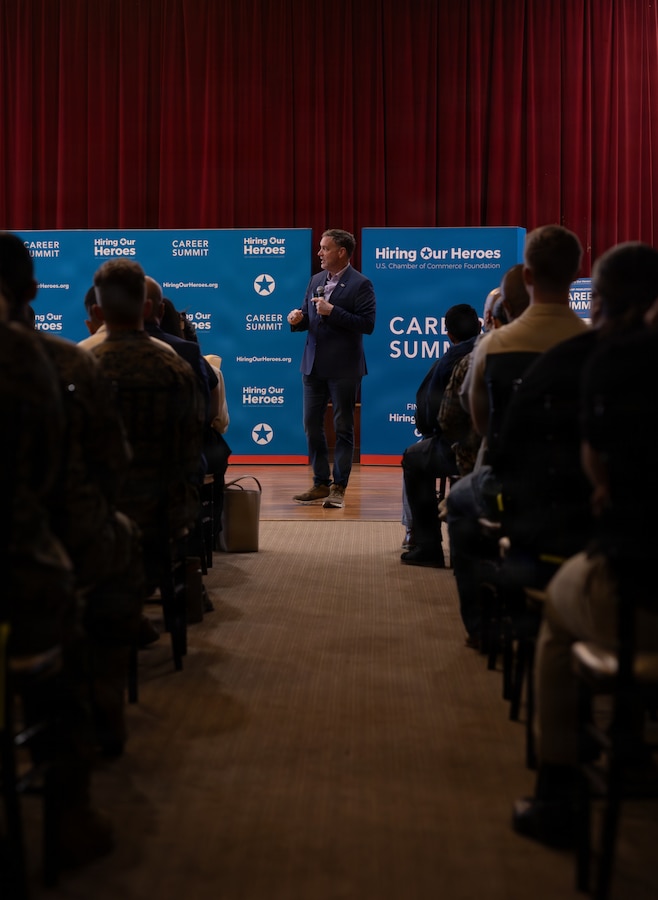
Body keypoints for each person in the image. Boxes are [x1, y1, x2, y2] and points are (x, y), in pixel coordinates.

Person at [512, 242, 658, 848]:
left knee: (558, 614)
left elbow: (592, 466)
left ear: (597, 298)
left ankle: (559, 792)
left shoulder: (607, 361)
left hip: (637, 588)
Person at [448, 229, 589, 646]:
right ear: (576, 274)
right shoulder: (597, 346)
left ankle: (484, 627)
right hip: (582, 494)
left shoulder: (493, 346)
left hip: (512, 490)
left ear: (528, 276)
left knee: (459, 501)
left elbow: (481, 425)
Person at [287, 228, 376, 509]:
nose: (319, 253)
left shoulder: (361, 284)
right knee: (311, 425)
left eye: (325, 248)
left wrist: (333, 311)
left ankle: (339, 486)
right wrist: (296, 318)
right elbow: (308, 316)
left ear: (341, 252)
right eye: (320, 248)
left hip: (344, 369)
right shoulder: (316, 279)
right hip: (312, 367)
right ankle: (319, 483)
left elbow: (367, 324)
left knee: (343, 427)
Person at [400, 304, 481, 567]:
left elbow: (430, 416)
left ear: (448, 335)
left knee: (413, 458)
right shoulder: (503, 348)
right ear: (481, 326)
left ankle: (425, 545)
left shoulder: (448, 362)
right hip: (507, 449)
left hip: (460, 450)